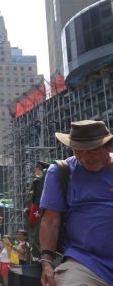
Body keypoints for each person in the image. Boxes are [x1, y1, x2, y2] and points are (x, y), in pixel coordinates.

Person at [39, 120, 113, 286]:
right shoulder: (60, 172)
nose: (84, 158)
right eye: (78, 151)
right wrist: (47, 263)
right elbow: (50, 221)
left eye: (92, 150)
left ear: (109, 147)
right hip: (86, 264)